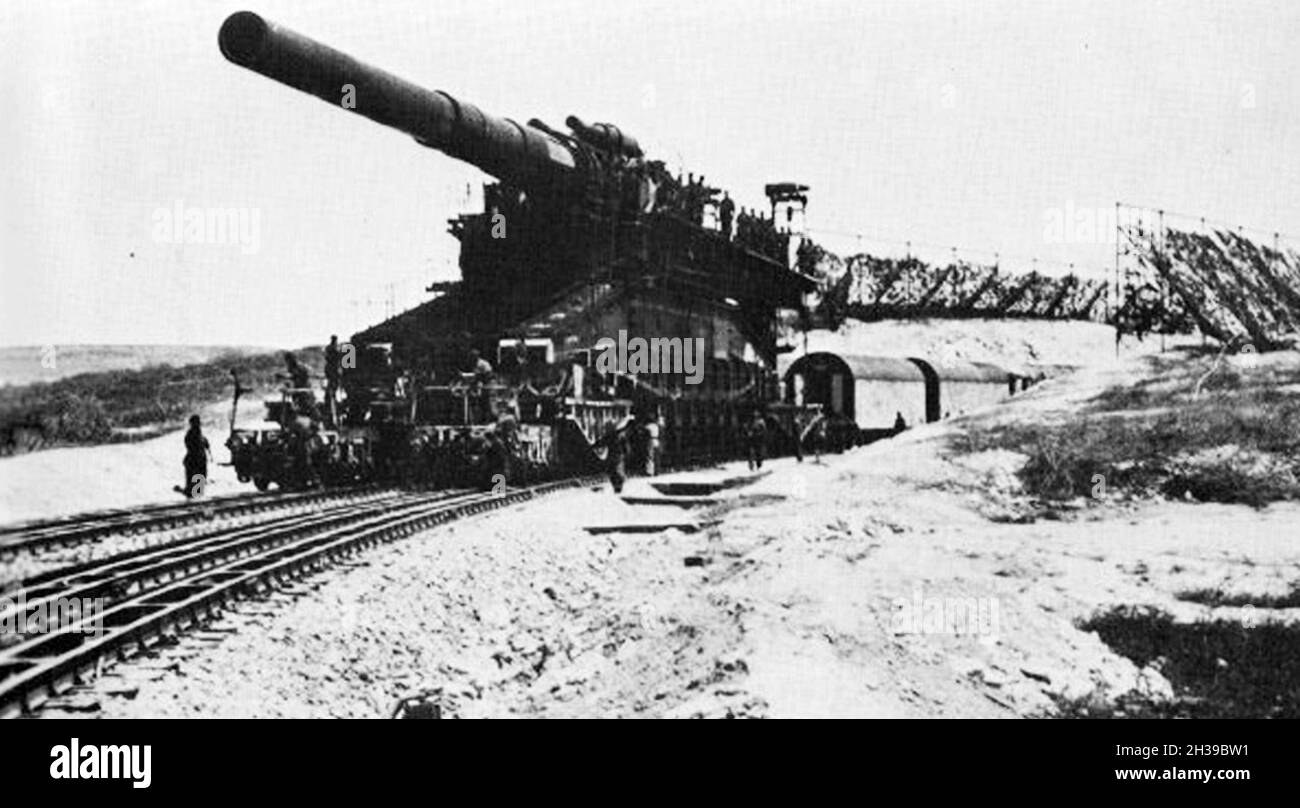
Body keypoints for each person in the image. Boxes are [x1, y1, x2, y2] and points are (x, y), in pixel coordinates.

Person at [180, 415, 210, 498]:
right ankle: (194, 495)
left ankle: (195, 495)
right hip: (195, 460)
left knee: (197, 483)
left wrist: (204, 442)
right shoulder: (192, 434)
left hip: (197, 460)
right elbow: (192, 446)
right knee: (196, 483)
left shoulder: (197, 434)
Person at [324, 336, 343, 425]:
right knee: (332, 390)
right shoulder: (334, 349)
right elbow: (338, 357)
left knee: (331, 390)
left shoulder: (329, 348)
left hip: (331, 371)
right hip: (333, 371)